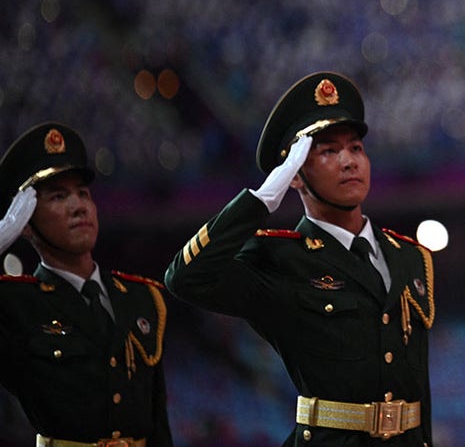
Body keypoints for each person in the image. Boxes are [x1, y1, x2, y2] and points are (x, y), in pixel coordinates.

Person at [164, 72, 435, 446]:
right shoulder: (280, 257)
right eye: (327, 151)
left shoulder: (410, 257)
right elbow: (185, 278)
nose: (348, 161)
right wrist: (263, 197)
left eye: (356, 148)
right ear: (294, 174)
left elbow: (419, 388)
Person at [0, 122, 173, 446]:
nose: (78, 205)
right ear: (25, 222)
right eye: (58, 196)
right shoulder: (15, 304)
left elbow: (158, 426)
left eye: (83, 193)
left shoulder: (142, 297)